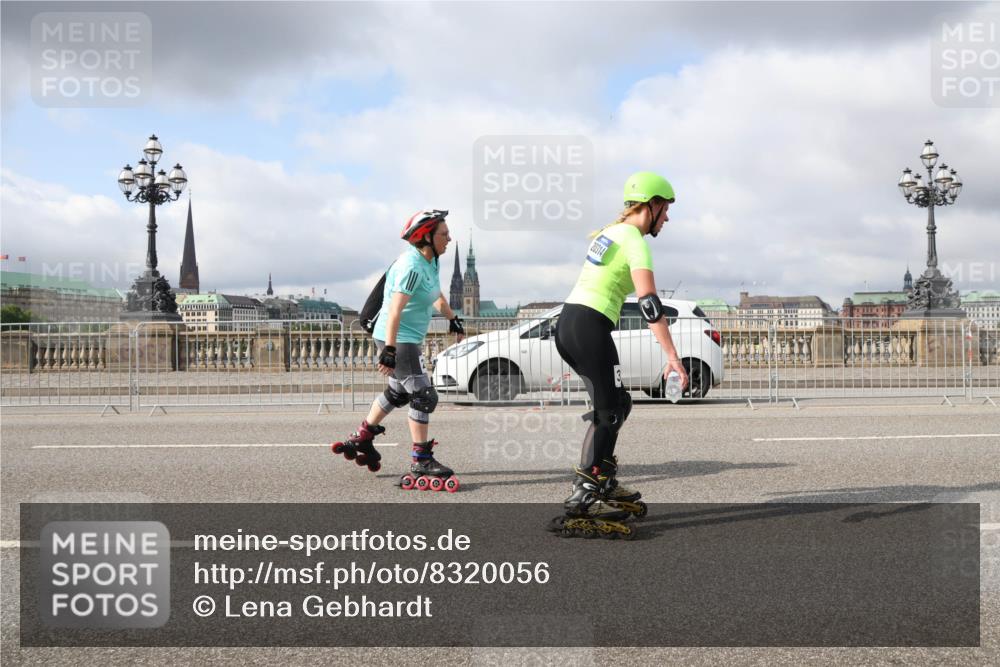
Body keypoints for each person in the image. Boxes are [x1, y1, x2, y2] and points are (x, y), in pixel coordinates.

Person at [552, 172, 688, 537]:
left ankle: (603, 481)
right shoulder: (635, 239)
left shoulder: (610, 233)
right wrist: (673, 357)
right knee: (609, 411)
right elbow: (648, 304)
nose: (668, 219)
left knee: (615, 405)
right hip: (588, 326)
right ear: (652, 205)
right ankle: (584, 494)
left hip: (571, 324)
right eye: (666, 209)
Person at [332, 210, 466, 492]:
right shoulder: (412, 267)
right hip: (399, 338)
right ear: (426, 237)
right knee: (423, 394)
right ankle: (421, 458)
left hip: (408, 338)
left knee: (399, 391)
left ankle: (363, 436)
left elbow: (436, 296)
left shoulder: (431, 262)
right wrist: (389, 350)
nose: (450, 238)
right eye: (444, 234)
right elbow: (394, 310)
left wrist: (452, 317)